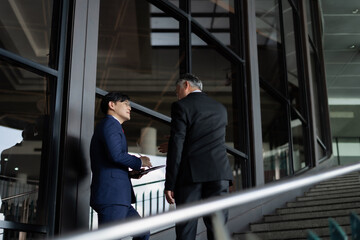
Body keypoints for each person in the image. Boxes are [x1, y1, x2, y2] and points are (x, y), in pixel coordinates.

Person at [164, 73, 233, 240]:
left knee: (186, 229)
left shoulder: (182, 106)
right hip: (219, 173)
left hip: (191, 175)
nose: (177, 94)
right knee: (218, 229)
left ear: (186, 85)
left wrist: (170, 183)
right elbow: (205, 139)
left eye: (177, 90)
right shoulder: (220, 108)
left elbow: (177, 144)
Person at [90, 92, 152, 240]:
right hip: (112, 196)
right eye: (125, 104)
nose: (129, 108)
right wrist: (139, 162)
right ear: (112, 105)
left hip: (119, 198)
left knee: (143, 233)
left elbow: (109, 161)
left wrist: (131, 173)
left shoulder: (112, 126)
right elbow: (116, 155)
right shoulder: (110, 124)